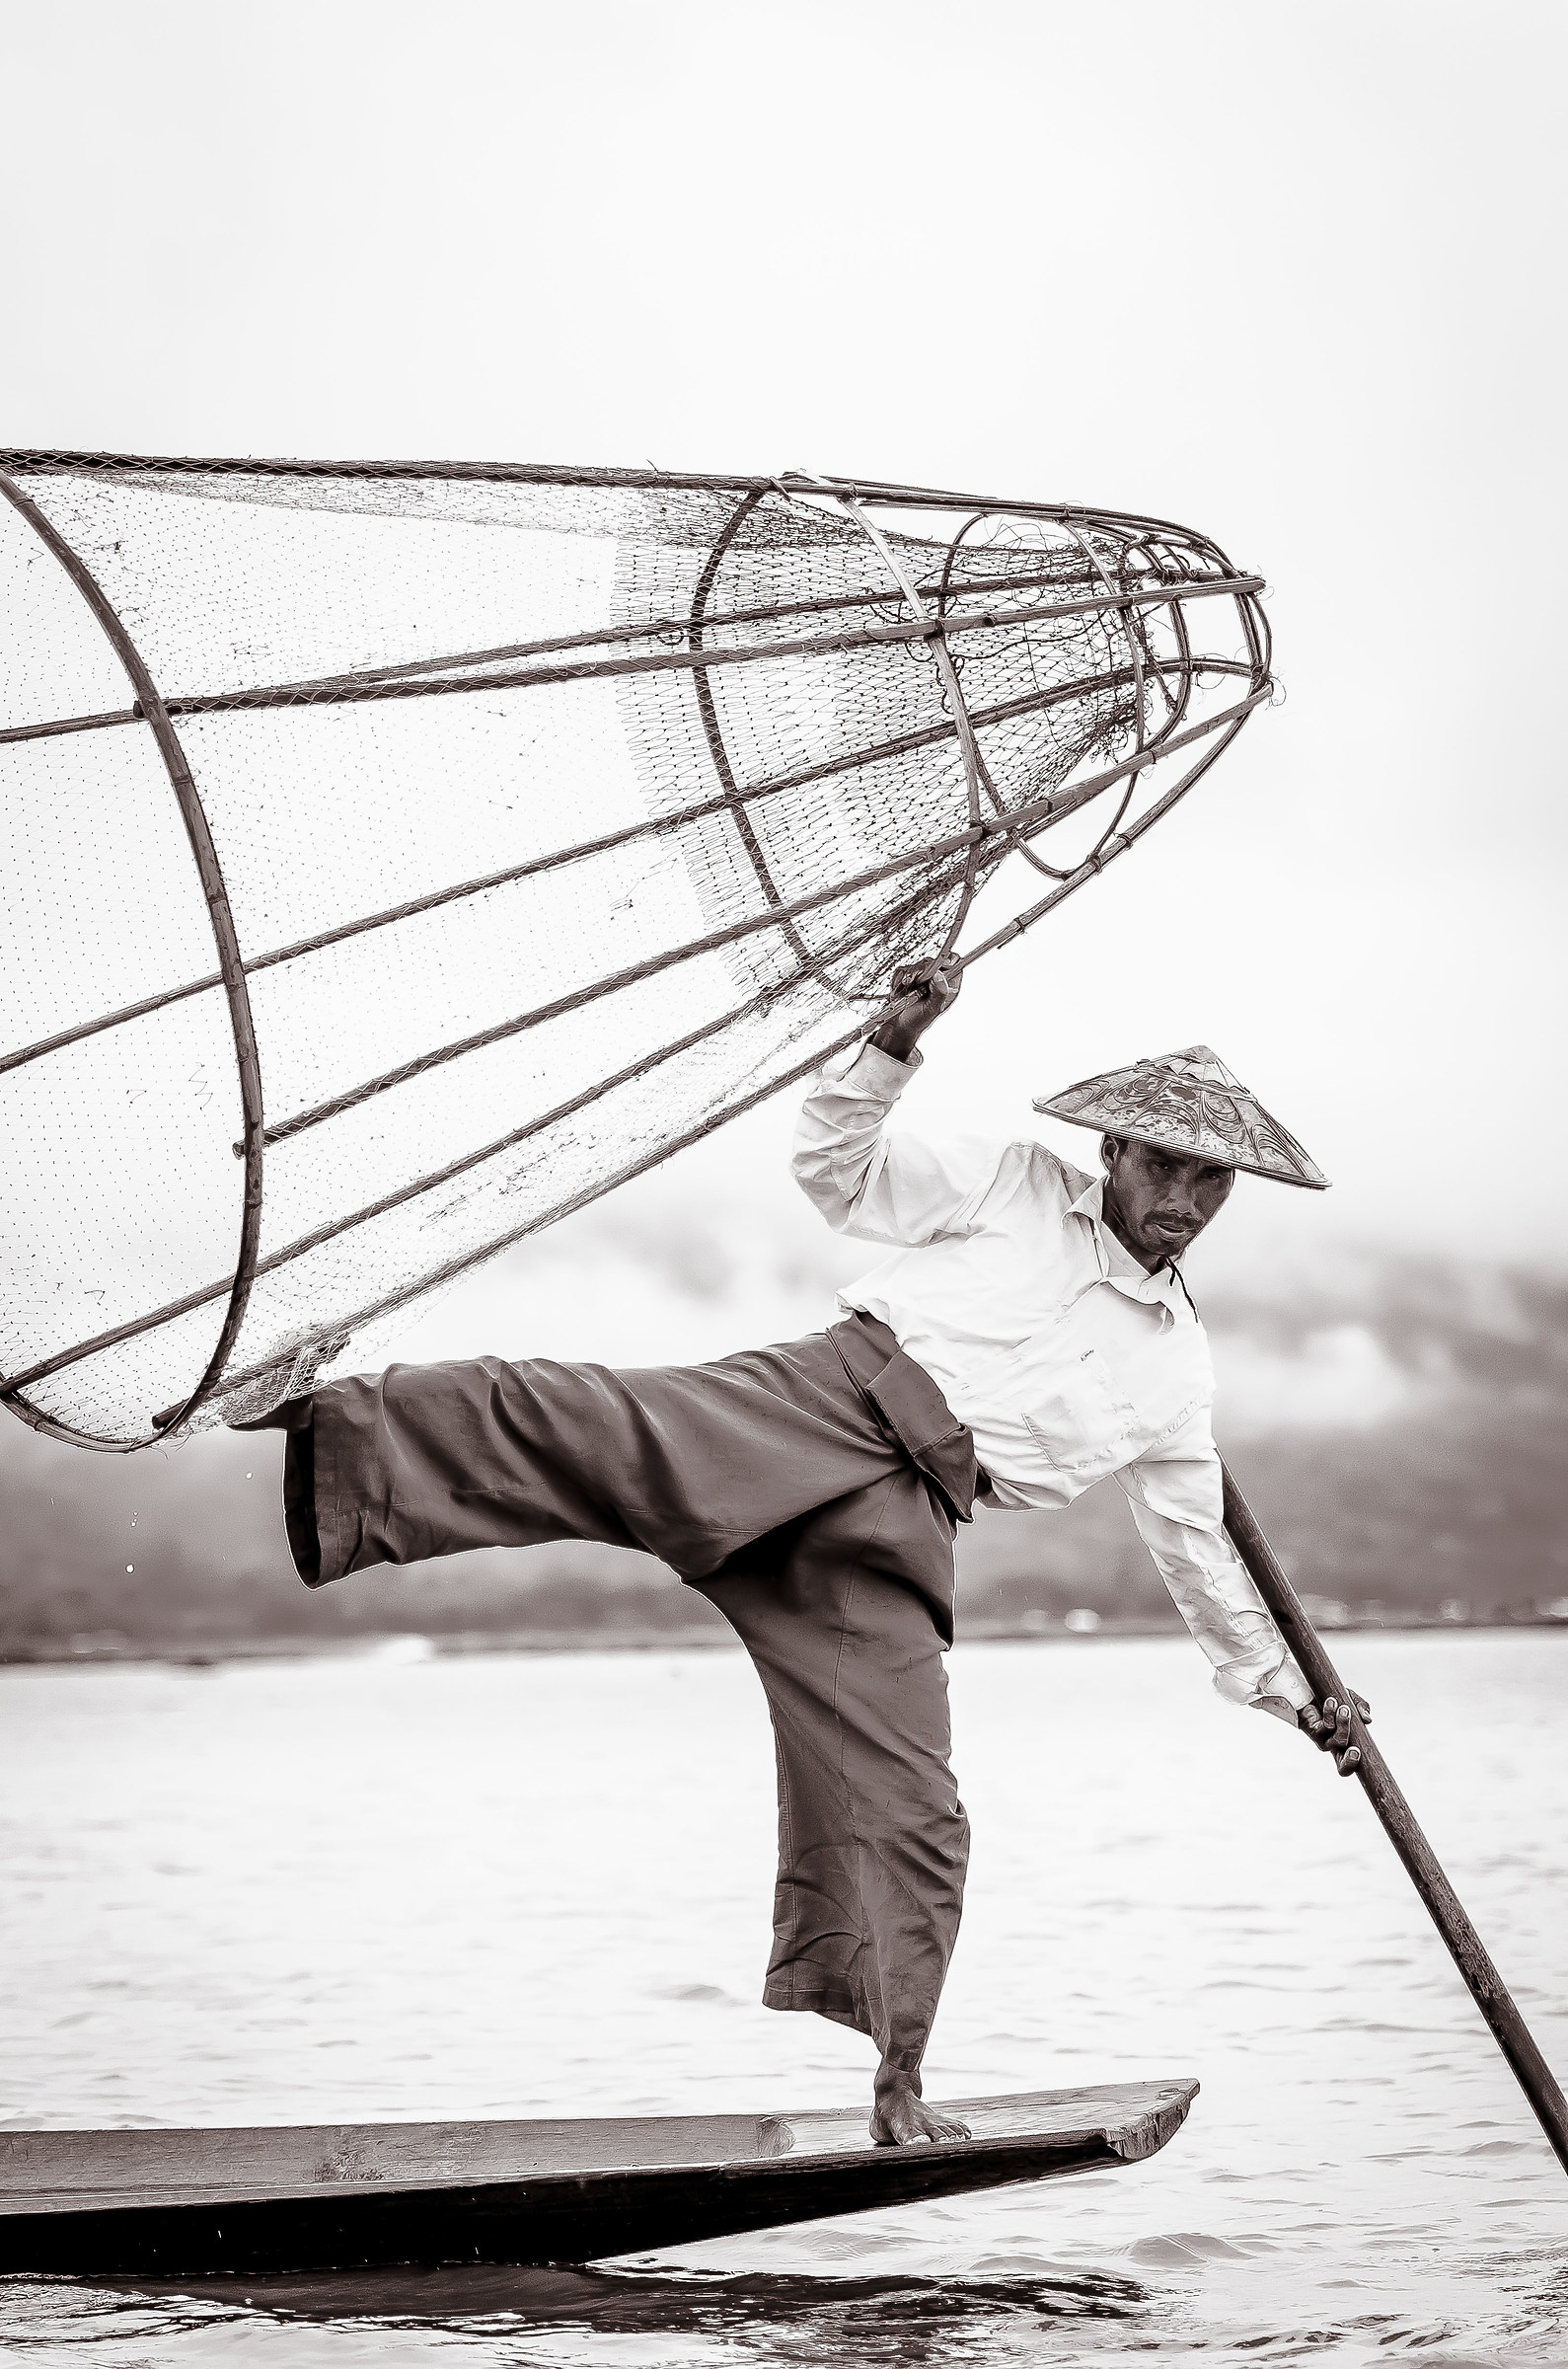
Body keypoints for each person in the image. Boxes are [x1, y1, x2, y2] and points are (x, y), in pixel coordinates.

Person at [238, 960, 1366, 2147]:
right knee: (568, 1416)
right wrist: (890, 1043)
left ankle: (897, 2083)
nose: (1179, 1197)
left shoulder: (1174, 1367)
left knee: (916, 1814)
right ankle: (314, 1417)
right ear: (1113, 1156)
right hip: (811, 1402)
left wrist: (1300, 1698)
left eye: (1207, 1178)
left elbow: (1201, 1557)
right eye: (1160, 1164)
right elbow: (839, 1172)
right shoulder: (1015, 1183)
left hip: (901, 1526)